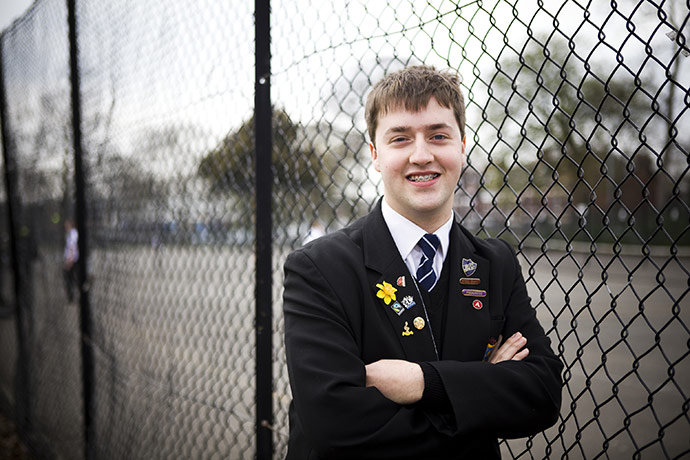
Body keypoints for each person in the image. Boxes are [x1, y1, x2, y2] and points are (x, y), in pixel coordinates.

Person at [282, 65, 562, 459]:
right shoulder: (319, 268)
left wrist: (423, 383)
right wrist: (483, 390)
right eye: (400, 139)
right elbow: (333, 424)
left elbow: (543, 393)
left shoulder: (495, 263)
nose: (421, 154)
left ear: (461, 146)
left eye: (438, 135)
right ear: (376, 156)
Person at [63, 218, 79, 302]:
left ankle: (72, 296)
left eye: (67, 223)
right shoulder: (70, 233)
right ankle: (72, 295)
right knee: (72, 278)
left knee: (70, 278)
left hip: (72, 260)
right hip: (71, 259)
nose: (65, 225)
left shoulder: (72, 234)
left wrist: (70, 260)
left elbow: (72, 247)